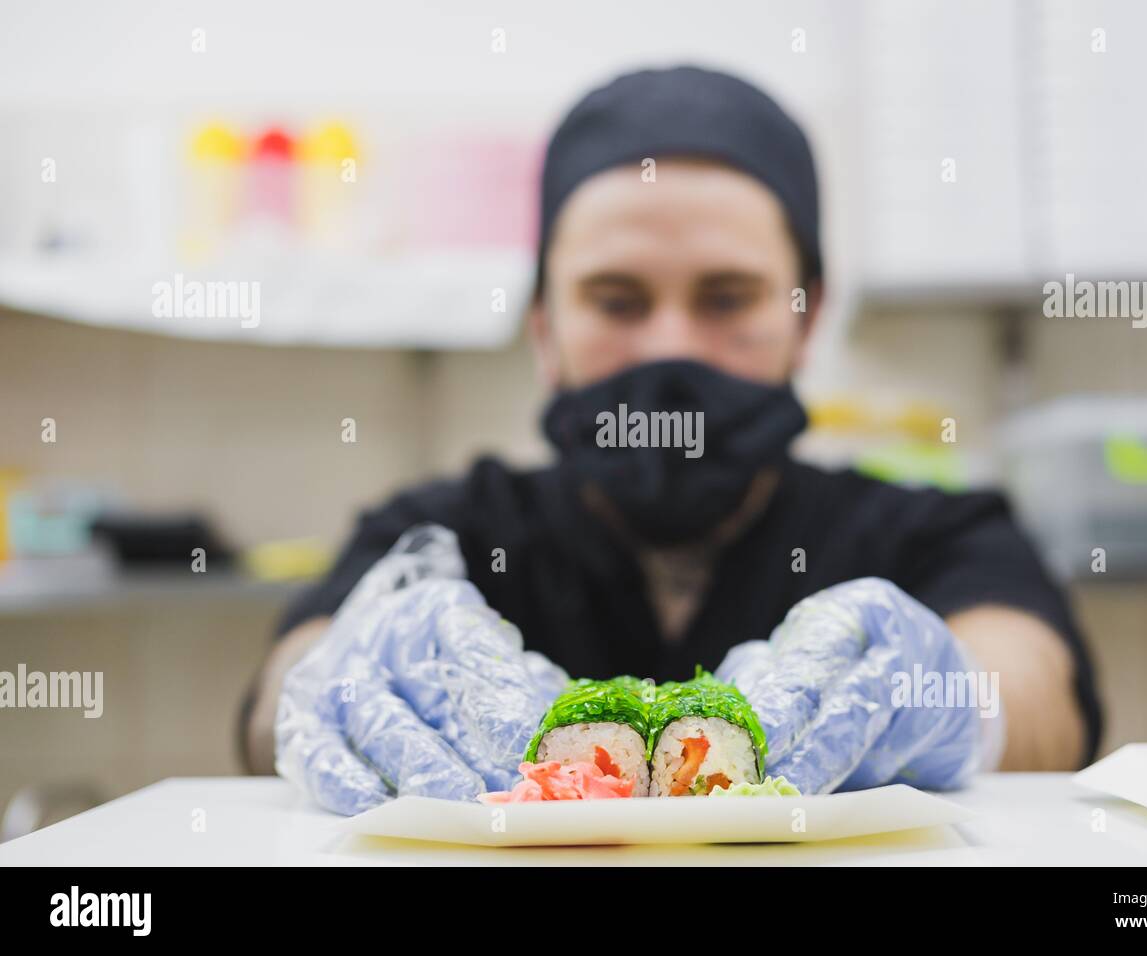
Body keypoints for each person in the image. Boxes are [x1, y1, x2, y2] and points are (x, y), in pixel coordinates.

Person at [241, 66, 1102, 811]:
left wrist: (950, 699)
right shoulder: (448, 530)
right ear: (545, 327)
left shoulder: (930, 533)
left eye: (727, 298)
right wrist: (329, 688)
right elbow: (275, 699)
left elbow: (1040, 696)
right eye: (618, 301)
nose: (670, 350)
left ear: (808, 320)